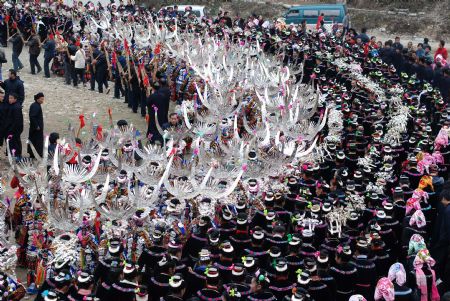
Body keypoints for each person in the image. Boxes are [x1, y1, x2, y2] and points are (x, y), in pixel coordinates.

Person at [146, 78, 171, 144]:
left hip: (153, 114)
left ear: (153, 88)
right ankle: (161, 137)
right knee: (160, 125)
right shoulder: (163, 95)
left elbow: (148, 103)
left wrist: (149, 93)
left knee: (152, 126)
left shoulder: (152, 96)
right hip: (162, 113)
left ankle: (152, 139)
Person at [4, 93, 23, 159]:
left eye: (11, 98)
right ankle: (13, 155)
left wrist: (11, 130)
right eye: (9, 98)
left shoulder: (16, 107)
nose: (10, 99)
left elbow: (16, 121)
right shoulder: (12, 105)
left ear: (15, 99)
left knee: (15, 143)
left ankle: (16, 156)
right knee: (13, 142)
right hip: (12, 128)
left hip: (14, 129)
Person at [27, 92, 44, 158]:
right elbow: (32, 116)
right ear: (37, 99)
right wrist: (36, 126)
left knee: (35, 141)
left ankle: (34, 153)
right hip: (36, 128)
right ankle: (36, 154)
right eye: (41, 99)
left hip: (35, 127)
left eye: (43, 99)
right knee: (36, 141)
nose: (42, 100)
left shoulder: (36, 105)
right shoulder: (35, 106)